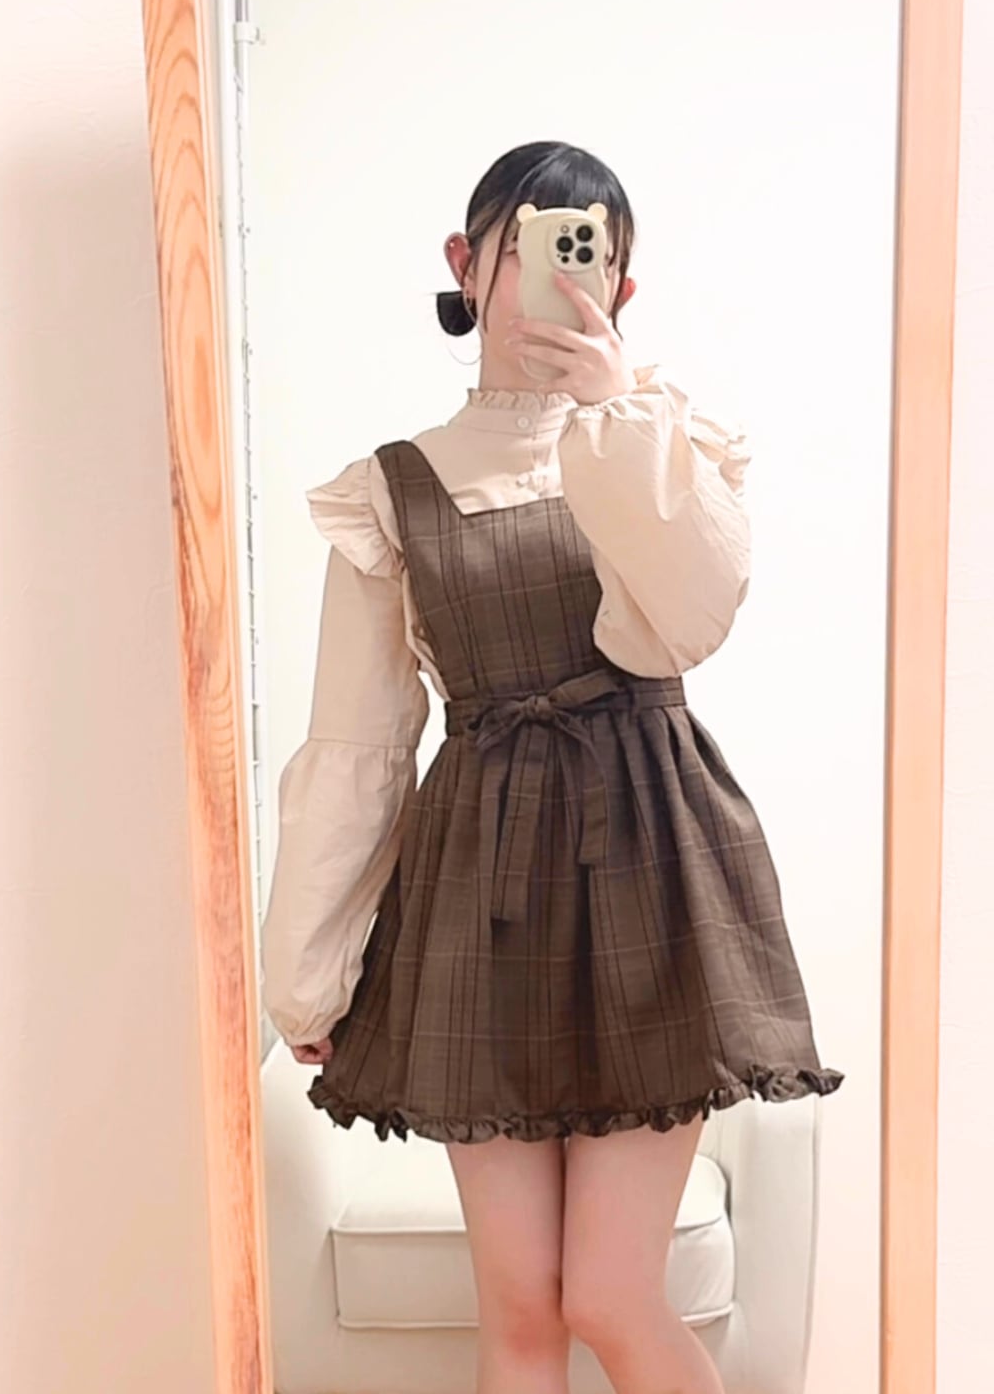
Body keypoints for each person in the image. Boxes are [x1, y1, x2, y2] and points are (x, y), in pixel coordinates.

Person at [260, 140, 844, 1394]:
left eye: (592, 257)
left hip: (653, 867)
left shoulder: (662, 442)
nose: (561, 281)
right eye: (529, 248)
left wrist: (615, 415)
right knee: (520, 1309)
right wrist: (311, 977)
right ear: (467, 263)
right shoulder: (389, 492)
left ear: (621, 287)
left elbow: (682, 623)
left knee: (610, 1296)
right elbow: (357, 743)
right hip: (483, 890)